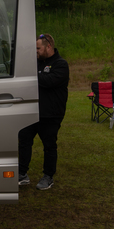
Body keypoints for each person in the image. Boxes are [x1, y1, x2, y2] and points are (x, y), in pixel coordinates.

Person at [18, 33, 69, 190]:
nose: (36, 51)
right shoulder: (37, 63)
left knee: (49, 145)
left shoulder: (61, 64)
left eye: (38, 48)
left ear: (48, 47)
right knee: (24, 140)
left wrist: (34, 75)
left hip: (51, 114)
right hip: (32, 111)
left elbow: (48, 81)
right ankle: (22, 174)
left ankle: (48, 176)